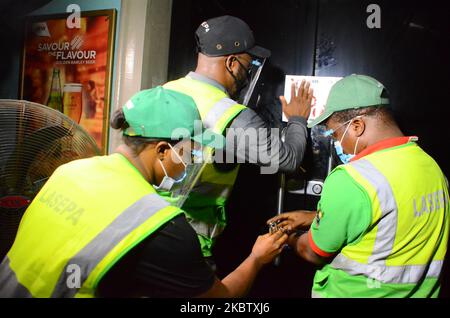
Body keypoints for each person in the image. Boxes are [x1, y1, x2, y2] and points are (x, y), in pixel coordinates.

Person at [0, 86, 287, 298]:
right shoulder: (158, 222)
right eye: (190, 151)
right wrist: (257, 258)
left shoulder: (69, 171)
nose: (193, 159)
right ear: (163, 150)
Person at [267, 74, 449, 298]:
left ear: (357, 126)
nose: (337, 143)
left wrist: (288, 237)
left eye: (335, 134)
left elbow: (312, 251)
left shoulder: (352, 178)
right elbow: (393, 216)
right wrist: (312, 215)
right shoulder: (430, 166)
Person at [163, 15, 313, 258]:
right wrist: (297, 120)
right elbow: (287, 160)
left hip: (148, 227)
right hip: (189, 242)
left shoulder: (164, 91)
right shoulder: (233, 115)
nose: (247, 74)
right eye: (248, 64)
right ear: (232, 63)